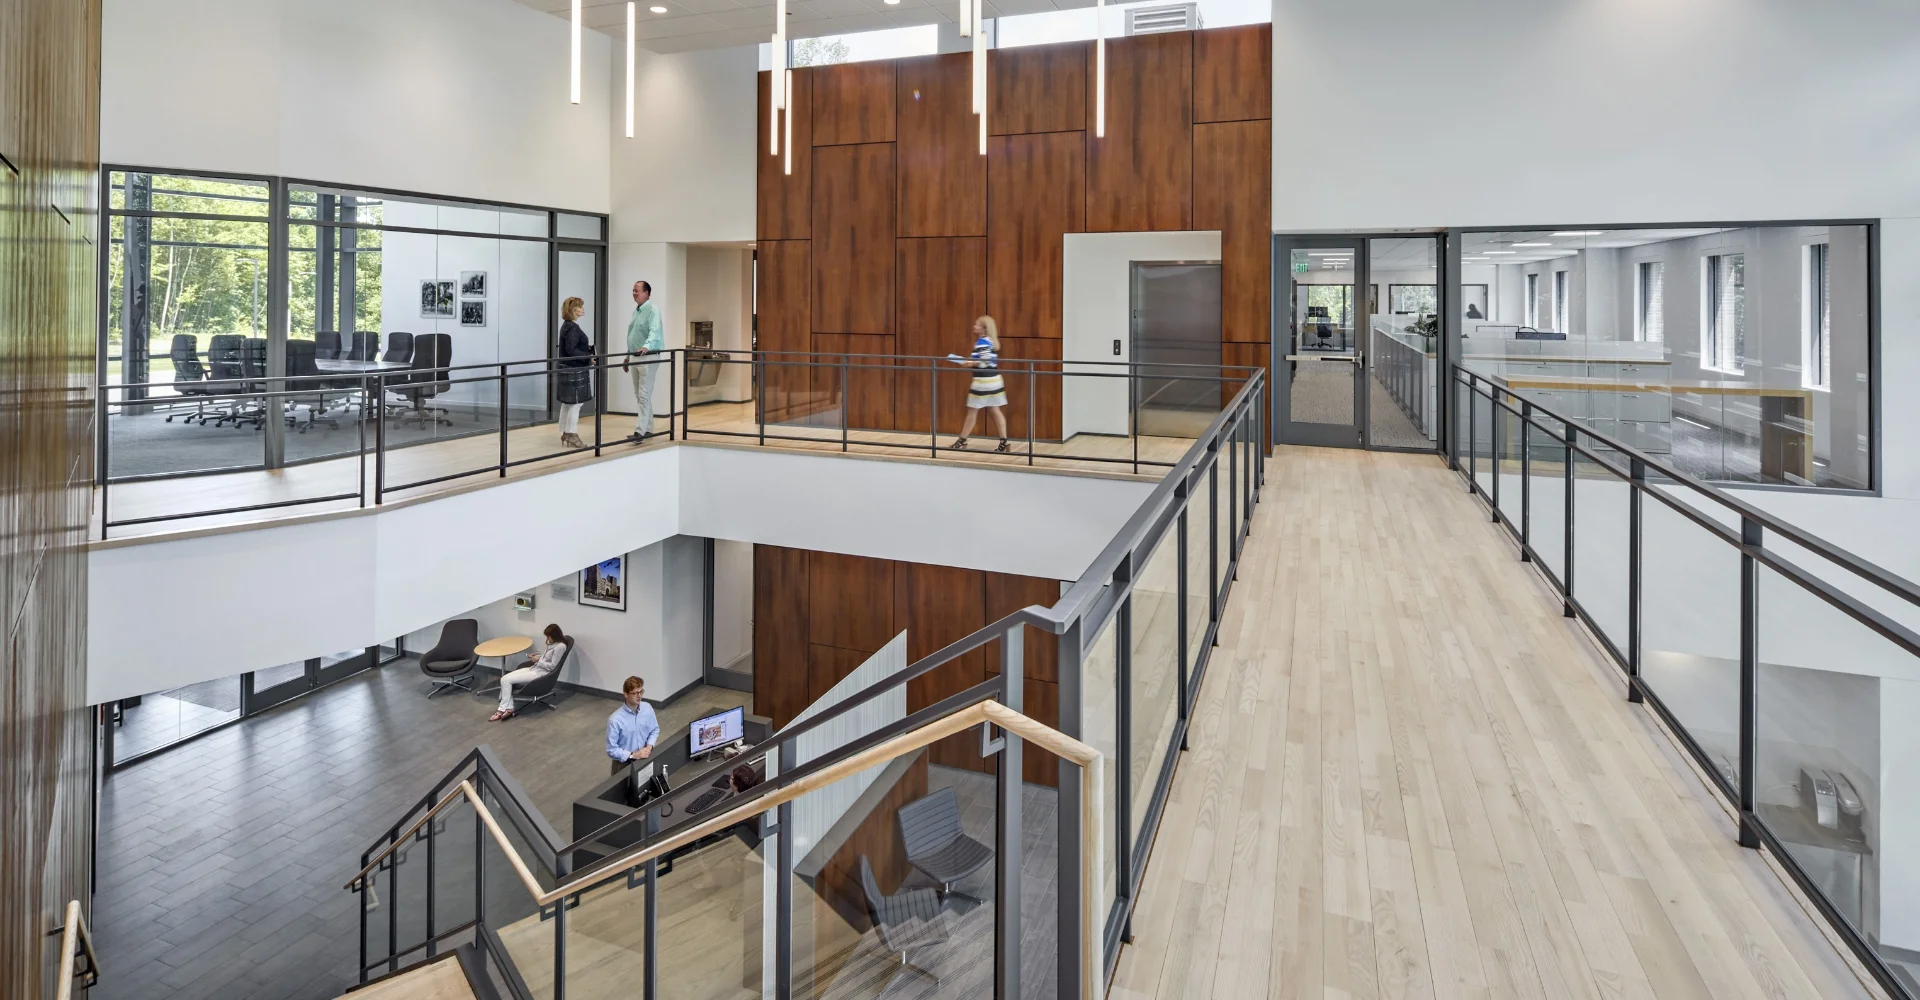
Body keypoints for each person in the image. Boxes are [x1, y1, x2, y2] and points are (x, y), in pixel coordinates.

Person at [951, 315, 1009, 453]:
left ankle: (962, 440)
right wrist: (971, 361)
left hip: (983, 382)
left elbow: (985, 361)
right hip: (994, 380)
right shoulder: (990, 341)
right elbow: (986, 359)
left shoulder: (983, 342)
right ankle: (1004, 442)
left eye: (977, 325)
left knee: (972, 411)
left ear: (984, 329)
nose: (974, 327)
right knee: (994, 410)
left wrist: (967, 363)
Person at [490, 624, 567, 722]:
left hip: (541, 674)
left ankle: (501, 710)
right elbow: (546, 659)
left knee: (506, 680)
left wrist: (538, 661)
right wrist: (537, 657)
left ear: (554, 635)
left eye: (548, 636)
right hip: (534, 668)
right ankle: (509, 708)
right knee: (504, 678)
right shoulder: (553, 644)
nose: (547, 638)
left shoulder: (560, 647)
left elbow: (552, 666)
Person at [622, 280, 664, 443]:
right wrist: (627, 356)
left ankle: (639, 432)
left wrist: (646, 346)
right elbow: (632, 336)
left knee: (644, 395)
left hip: (648, 357)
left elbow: (654, 332)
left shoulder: (653, 310)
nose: (634, 293)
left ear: (647, 293)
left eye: (637, 291)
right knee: (640, 395)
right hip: (635, 357)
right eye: (633, 290)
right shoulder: (637, 311)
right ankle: (648, 429)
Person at [556, 297, 594, 448]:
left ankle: (566, 432)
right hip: (574, 369)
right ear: (573, 310)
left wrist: (587, 352)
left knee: (568, 402)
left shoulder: (566, 325)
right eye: (580, 307)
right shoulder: (572, 328)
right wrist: (589, 357)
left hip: (567, 367)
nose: (582, 309)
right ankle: (571, 433)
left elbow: (571, 347)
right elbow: (572, 350)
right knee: (576, 403)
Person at [606, 675, 660, 775]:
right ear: (626, 694)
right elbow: (611, 750)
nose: (639, 696)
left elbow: (654, 730)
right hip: (624, 765)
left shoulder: (647, 708)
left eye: (641, 692)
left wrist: (649, 747)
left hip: (644, 759)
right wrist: (634, 755)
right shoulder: (615, 720)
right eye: (635, 693)